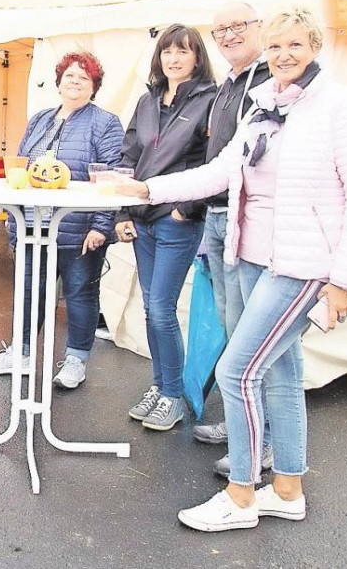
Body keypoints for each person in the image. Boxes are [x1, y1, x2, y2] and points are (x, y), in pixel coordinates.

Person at [112, 7, 347, 532]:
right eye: (276, 47)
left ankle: (241, 496)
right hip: (251, 254)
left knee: (237, 370)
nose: (284, 56)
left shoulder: (342, 106)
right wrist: (149, 190)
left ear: (315, 46)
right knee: (281, 370)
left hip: (302, 265)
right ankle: (287, 490)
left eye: (294, 45)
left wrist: (345, 280)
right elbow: (219, 170)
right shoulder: (263, 105)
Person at [0, 51, 123, 389]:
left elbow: (111, 177)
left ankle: (76, 361)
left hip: (79, 229)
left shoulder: (105, 123)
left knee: (80, 295)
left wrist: (102, 225)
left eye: (84, 78)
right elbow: (20, 168)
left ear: (94, 87)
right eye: (70, 76)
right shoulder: (41, 118)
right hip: (34, 227)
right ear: (58, 82)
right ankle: (22, 353)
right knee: (29, 292)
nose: (75, 81)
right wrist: (14, 221)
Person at [114, 24, 217, 431]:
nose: (174, 58)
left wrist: (186, 209)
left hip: (176, 221)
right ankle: (160, 386)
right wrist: (122, 214)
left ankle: (174, 395)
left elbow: (215, 163)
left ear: (197, 57)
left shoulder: (211, 100)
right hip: (142, 220)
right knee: (150, 308)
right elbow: (128, 156)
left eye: (183, 52)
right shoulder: (148, 100)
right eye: (167, 52)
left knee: (161, 309)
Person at [192, 3, 275, 475]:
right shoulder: (228, 85)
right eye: (220, 29)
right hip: (217, 217)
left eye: (238, 26)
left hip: (251, 221)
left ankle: (260, 444)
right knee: (231, 325)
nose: (227, 36)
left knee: (252, 335)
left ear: (259, 28)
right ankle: (239, 422)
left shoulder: (270, 82)